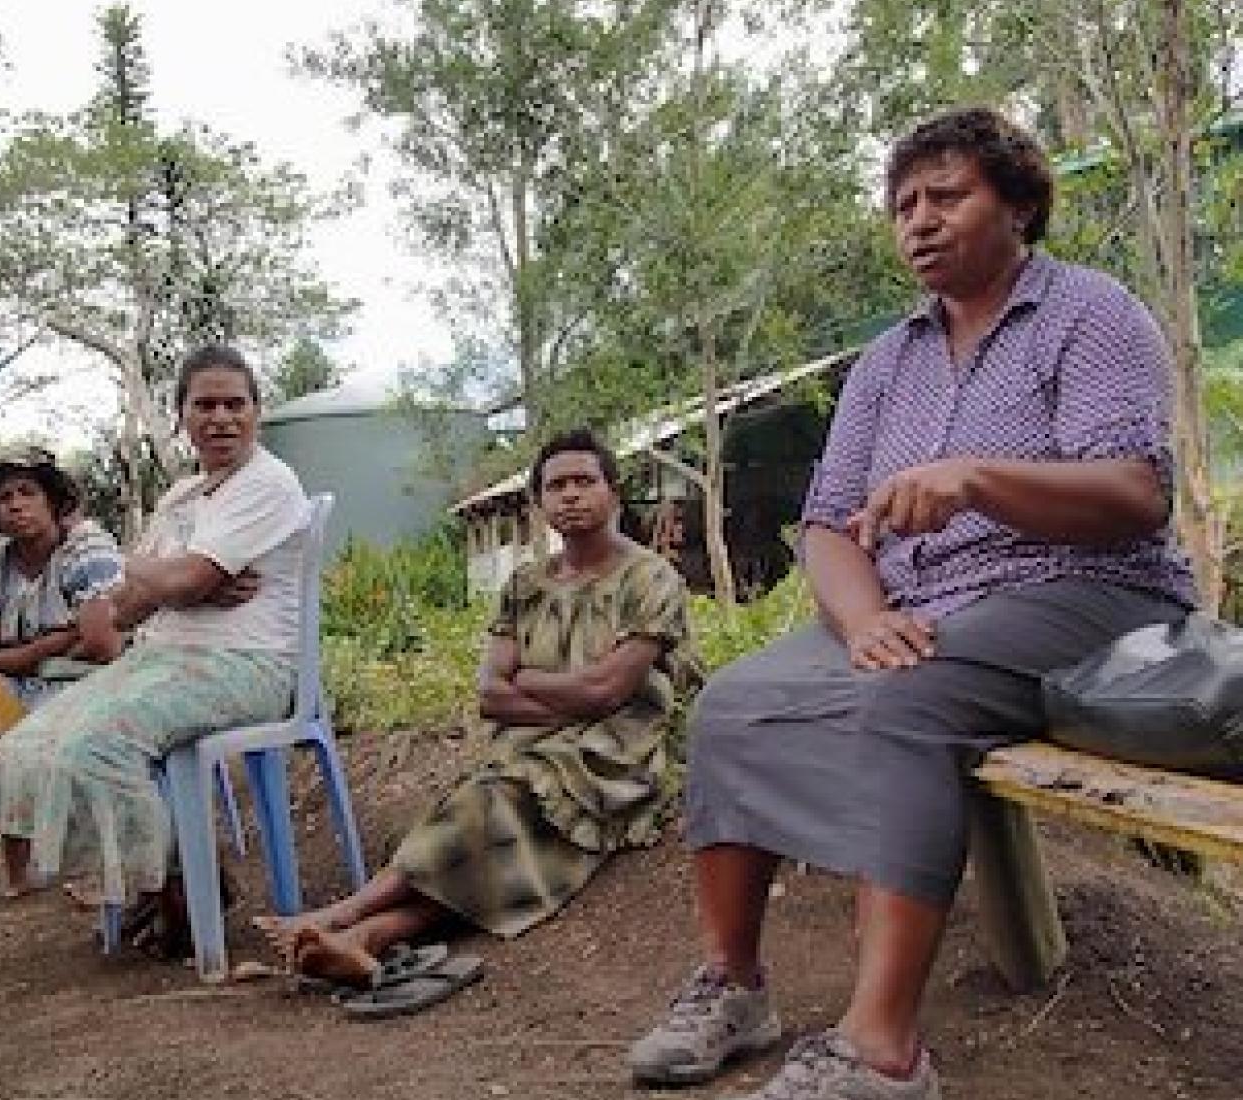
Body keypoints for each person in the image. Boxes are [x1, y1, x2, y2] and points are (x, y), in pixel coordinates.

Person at [628, 107, 1195, 1100]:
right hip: (925, 604)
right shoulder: (887, 361)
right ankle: (735, 980)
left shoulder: (1089, 313)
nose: (919, 221)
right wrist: (860, 618)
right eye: (902, 206)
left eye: (947, 195)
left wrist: (978, 477)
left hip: (1086, 591)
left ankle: (883, 1045)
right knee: (732, 701)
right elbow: (828, 523)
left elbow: (1134, 494)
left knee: (911, 698)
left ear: (1017, 202)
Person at [256, 428, 696, 1006]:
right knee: (496, 836)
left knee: (491, 807)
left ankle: (346, 915)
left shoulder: (649, 578)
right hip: (532, 750)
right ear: (539, 503)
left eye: (584, 481)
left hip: (615, 757)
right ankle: (365, 938)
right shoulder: (525, 584)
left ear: (614, 493)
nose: (570, 495)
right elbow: (491, 693)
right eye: (555, 486)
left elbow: (609, 690)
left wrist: (533, 681)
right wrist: (568, 692)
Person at [0, 344, 310, 924]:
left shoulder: (269, 483)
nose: (221, 418)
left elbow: (173, 583)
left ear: (258, 411)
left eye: (236, 404)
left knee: (98, 746)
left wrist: (146, 569)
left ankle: (181, 895)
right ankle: (163, 882)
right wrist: (165, 580)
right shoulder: (182, 496)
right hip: (163, 659)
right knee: (26, 747)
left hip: (248, 665)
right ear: (181, 414)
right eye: (204, 405)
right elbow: (126, 611)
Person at [0, 447, 126, 772]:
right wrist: (65, 636)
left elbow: (101, 644)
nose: (16, 505)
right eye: (4, 498)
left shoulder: (86, 545)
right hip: (26, 682)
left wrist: (0, 660)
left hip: (93, 682)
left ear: (52, 501)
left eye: (27, 492)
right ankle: (16, 803)